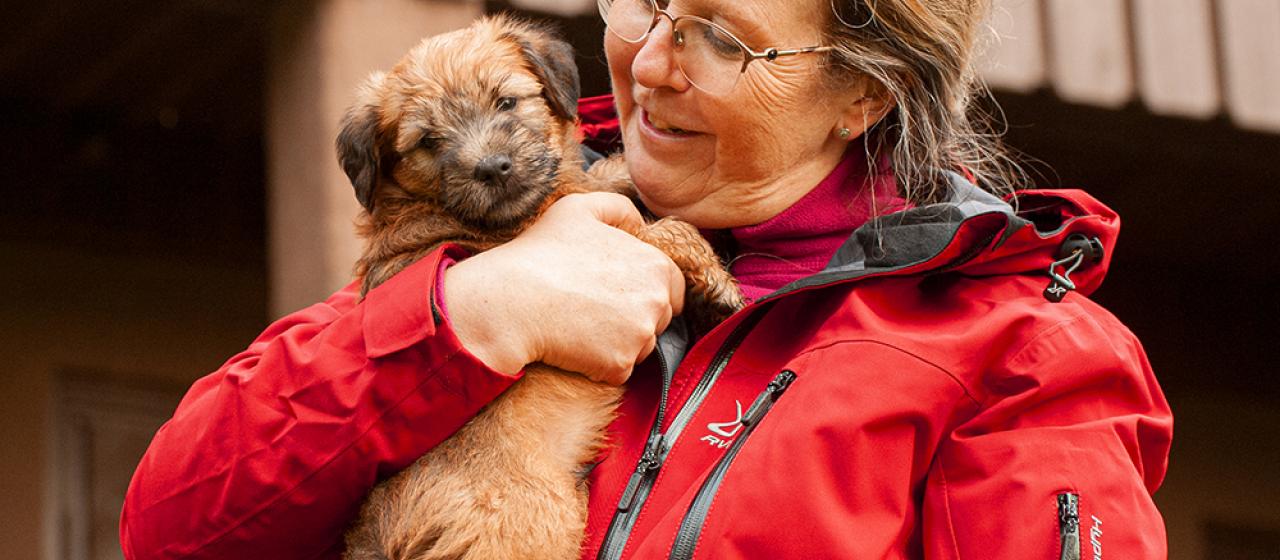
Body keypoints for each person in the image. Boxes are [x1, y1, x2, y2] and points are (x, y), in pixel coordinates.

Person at [120, 0, 1173, 558]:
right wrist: (468, 316)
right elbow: (174, 521)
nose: (654, 59)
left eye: (720, 36)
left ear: (861, 94)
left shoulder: (1018, 355)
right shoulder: (475, 236)